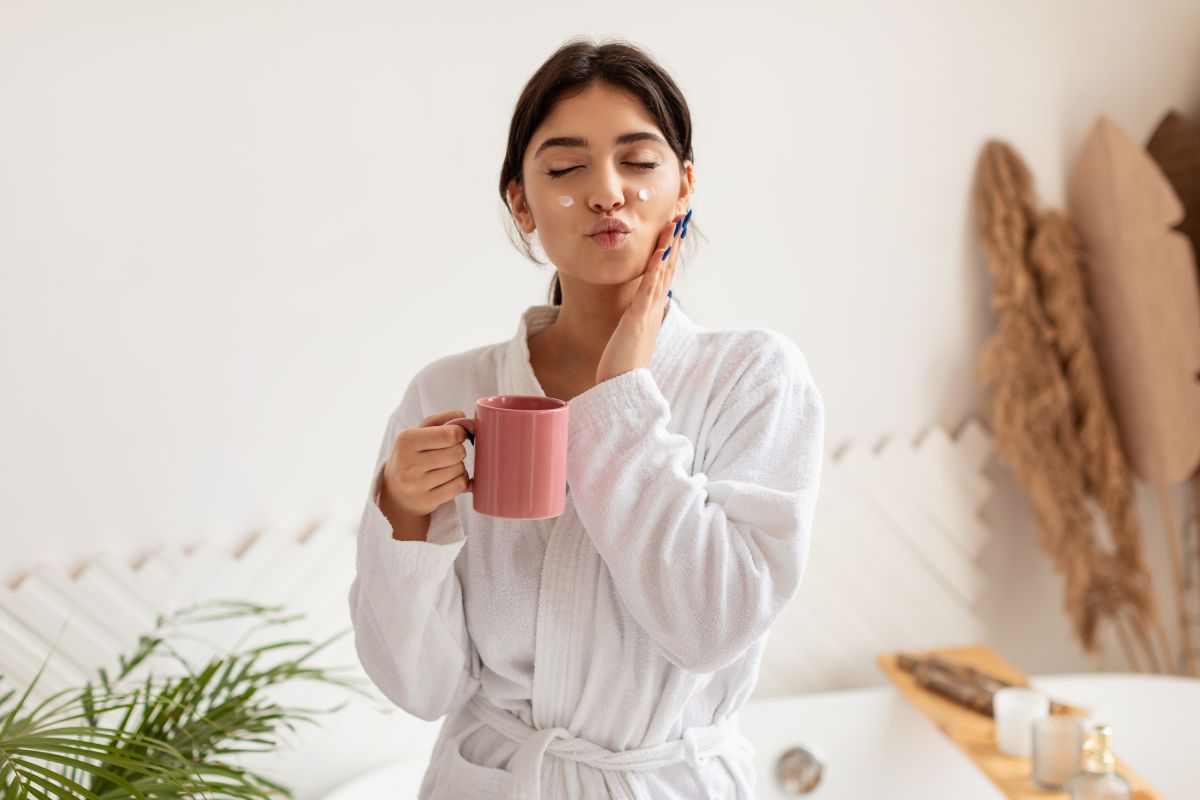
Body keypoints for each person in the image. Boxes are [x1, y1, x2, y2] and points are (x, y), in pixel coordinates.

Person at [348, 36, 825, 800]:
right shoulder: (453, 390)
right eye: (566, 168)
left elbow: (710, 626)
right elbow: (423, 689)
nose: (606, 192)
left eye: (638, 161)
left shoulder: (755, 379)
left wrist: (623, 397)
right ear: (521, 202)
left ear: (684, 185)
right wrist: (404, 515)